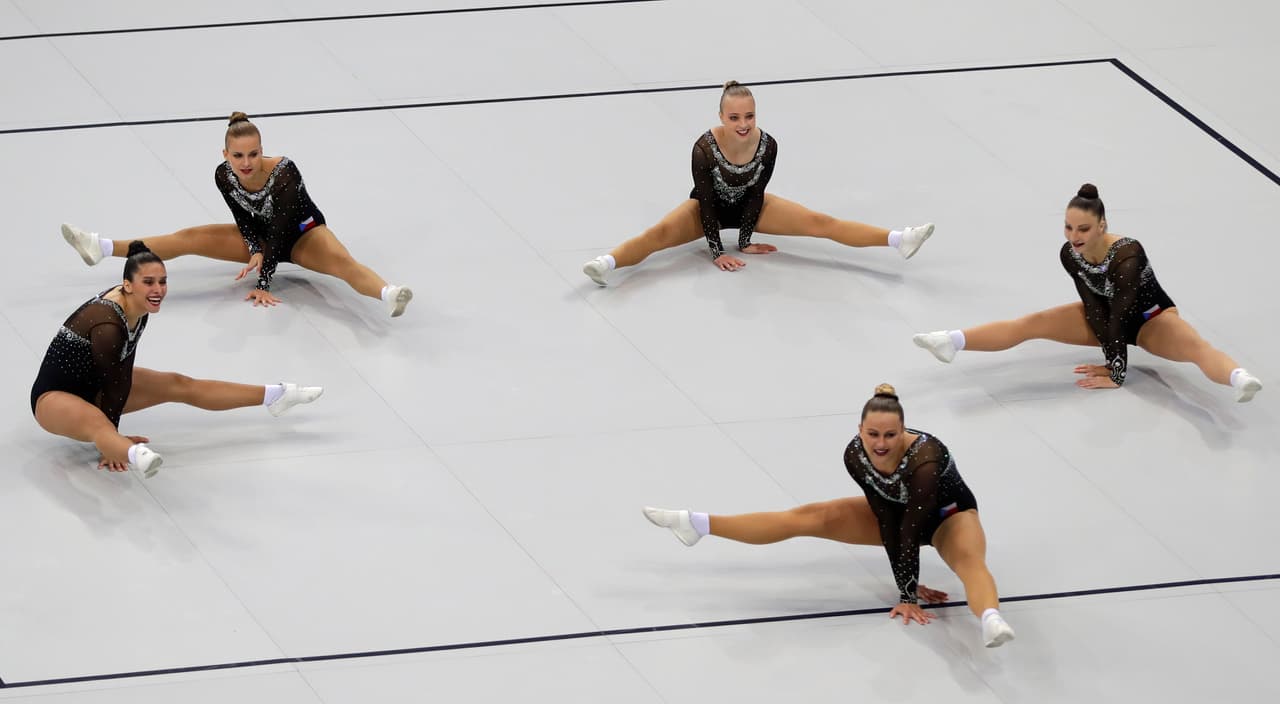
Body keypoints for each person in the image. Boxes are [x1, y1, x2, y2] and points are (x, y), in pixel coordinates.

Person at [643, 384, 1015, 648]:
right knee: (809, 516)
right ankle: (699, 524)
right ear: (859, 430)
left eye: (890, 435)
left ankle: (991, 620)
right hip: (898, 511)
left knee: (969, 562)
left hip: (949, 516)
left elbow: (911, 526)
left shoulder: (926, 458)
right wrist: (908, 584)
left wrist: (908, 593)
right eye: (872, 434)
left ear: (903, 431)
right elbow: (886, 518)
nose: (880, 444)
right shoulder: (855, 455)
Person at [912, 183, 1262, 402]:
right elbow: (1094, 306)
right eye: (1068, 227)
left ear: (1102, 225)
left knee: (1197, 348)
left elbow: (1123, 313)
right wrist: (1111, 352)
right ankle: (951, 341)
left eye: (1083, 229)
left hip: (1150, 319)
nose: (1073, 236)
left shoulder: (1128, 255)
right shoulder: (1070, 254)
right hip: (1106, 315)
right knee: (1032, 323)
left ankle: (1239, 379)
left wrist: (1116, 371)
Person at [60, 112, 413, 317]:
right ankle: (101, 247)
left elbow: (280, 228)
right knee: (190, 238)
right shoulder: (223, 176)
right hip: (261, 236)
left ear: (262, 151)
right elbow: (244, 218)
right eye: (238, 156)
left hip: (303, 235)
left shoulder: (285, 172)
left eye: (253, 154)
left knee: (343, 263)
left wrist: (263, 282)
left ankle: (389, 293)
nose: (246, 163)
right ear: (225, 154)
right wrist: (254, 248)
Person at [582, 81, 935, 286]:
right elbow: (706, 200)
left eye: (749, 116)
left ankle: (899, 239)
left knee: (820, 222)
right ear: (721, 117)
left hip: (750, 207)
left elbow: (756, 193)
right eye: (734, 117)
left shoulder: (768, 145)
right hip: (706, 209)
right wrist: (717, 251)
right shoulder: (704, 148)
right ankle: (606, 263)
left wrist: (745, 240)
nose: (743, 124)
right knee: (658, 234)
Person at [31, 242, 324, 479]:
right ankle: (137, 456)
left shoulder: (137, 303)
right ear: (127, 284)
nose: (158, 289)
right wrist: (114, 442)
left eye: (162, 281)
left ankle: (276, 395)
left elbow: (122, 371)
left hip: (95, 385)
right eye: (149, 282)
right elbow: (114, 382)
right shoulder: (106, 324)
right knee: (100, 426)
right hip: (54, 398)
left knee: (178, 383)